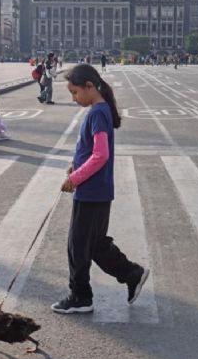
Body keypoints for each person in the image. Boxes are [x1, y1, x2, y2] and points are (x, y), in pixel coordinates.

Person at [51, 64, 150, 314]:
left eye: (75, 92)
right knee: (94, 244)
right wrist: (76, 165)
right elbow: (91, 151)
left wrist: (76, 178)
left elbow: (100, 155)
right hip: (97, 189)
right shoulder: (100, 110)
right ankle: (131, 274)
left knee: (77, 246)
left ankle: (80, 296)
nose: (74, 98)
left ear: (89, 86)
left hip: (91, 190)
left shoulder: (97, 113)